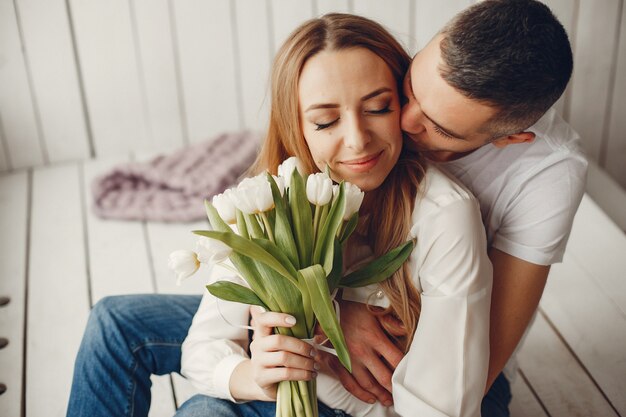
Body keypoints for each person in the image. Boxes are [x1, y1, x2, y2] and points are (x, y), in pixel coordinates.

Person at [65, 1, 588, 416]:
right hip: (318, 340)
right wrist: (320, 320)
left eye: (382, 107)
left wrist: (323, 336)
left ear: (511, 138)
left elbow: (464, 378)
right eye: (406, 93)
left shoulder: (531, 182)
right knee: (122, 327)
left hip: (410, 363)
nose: (402, 125)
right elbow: (212, 341)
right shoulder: (285, 187)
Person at [174, 12, 491, 417]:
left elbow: (443, 405)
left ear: (404, 103)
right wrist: (258, 374)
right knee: (197, 406)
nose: (358, 141)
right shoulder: (270, 206)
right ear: (297, 128)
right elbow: (202, 350)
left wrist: (329, 324)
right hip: (299, 393)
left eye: (378, 107)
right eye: (326, 121)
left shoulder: (443, 215)